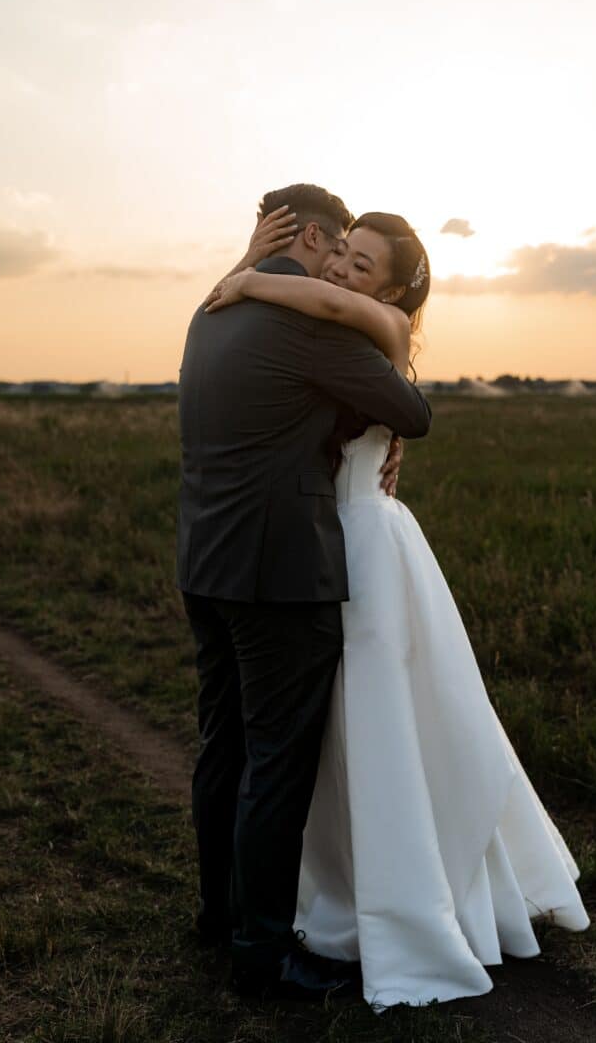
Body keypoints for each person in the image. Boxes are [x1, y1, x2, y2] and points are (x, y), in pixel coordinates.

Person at [204, 212, 590, 1009]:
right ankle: (312, 895)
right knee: (328, 732)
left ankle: (381, 892)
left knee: (378, 717)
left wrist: (250, 276)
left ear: (393, 290)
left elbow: (354, 333)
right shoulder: (336, 331)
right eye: (341, 253)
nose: (343, 271)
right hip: (320, 538)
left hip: (359, 546)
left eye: (362, 264)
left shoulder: (367, 324)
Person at [176, 185, 432, 1000]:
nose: (339, 272)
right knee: (276, 764)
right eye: (338, 251)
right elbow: (409, 410)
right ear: (313, 237)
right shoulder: (303, 324)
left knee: (224, 748)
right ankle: (261, 953)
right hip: (279, 574)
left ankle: (217, 916)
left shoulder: (208, 310)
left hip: (204, 564)